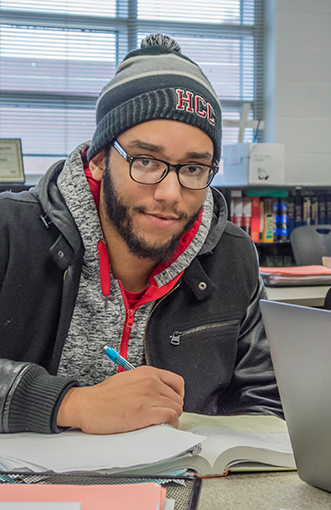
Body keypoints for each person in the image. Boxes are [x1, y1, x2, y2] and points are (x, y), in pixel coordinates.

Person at [0, 34, 282, 435]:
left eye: (193, 168)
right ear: (98, 160)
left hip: (187, 486)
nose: (170, 194)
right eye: (146, 161)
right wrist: (69, 403)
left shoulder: (232, 256)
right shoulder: (11, 231)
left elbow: (267, 402)